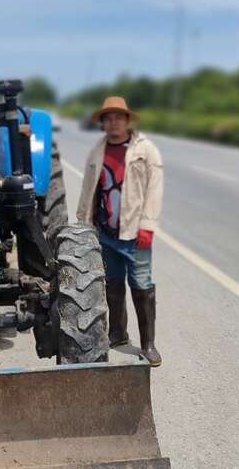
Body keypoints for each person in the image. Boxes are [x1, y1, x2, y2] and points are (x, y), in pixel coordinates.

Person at [76, 96, 164, 366]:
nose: (113, 122)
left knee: (141, 285)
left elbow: (154, 189)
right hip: (106, 232)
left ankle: (148, 344)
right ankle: (117, 333)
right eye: (108, 118)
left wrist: (148, 225)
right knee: (112, 285)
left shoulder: (145, 149)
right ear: (102, 123)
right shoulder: (97, 151)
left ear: (127, 120)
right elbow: (89, 188)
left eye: (118, 117)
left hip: (135, 233)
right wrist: (84, 223)